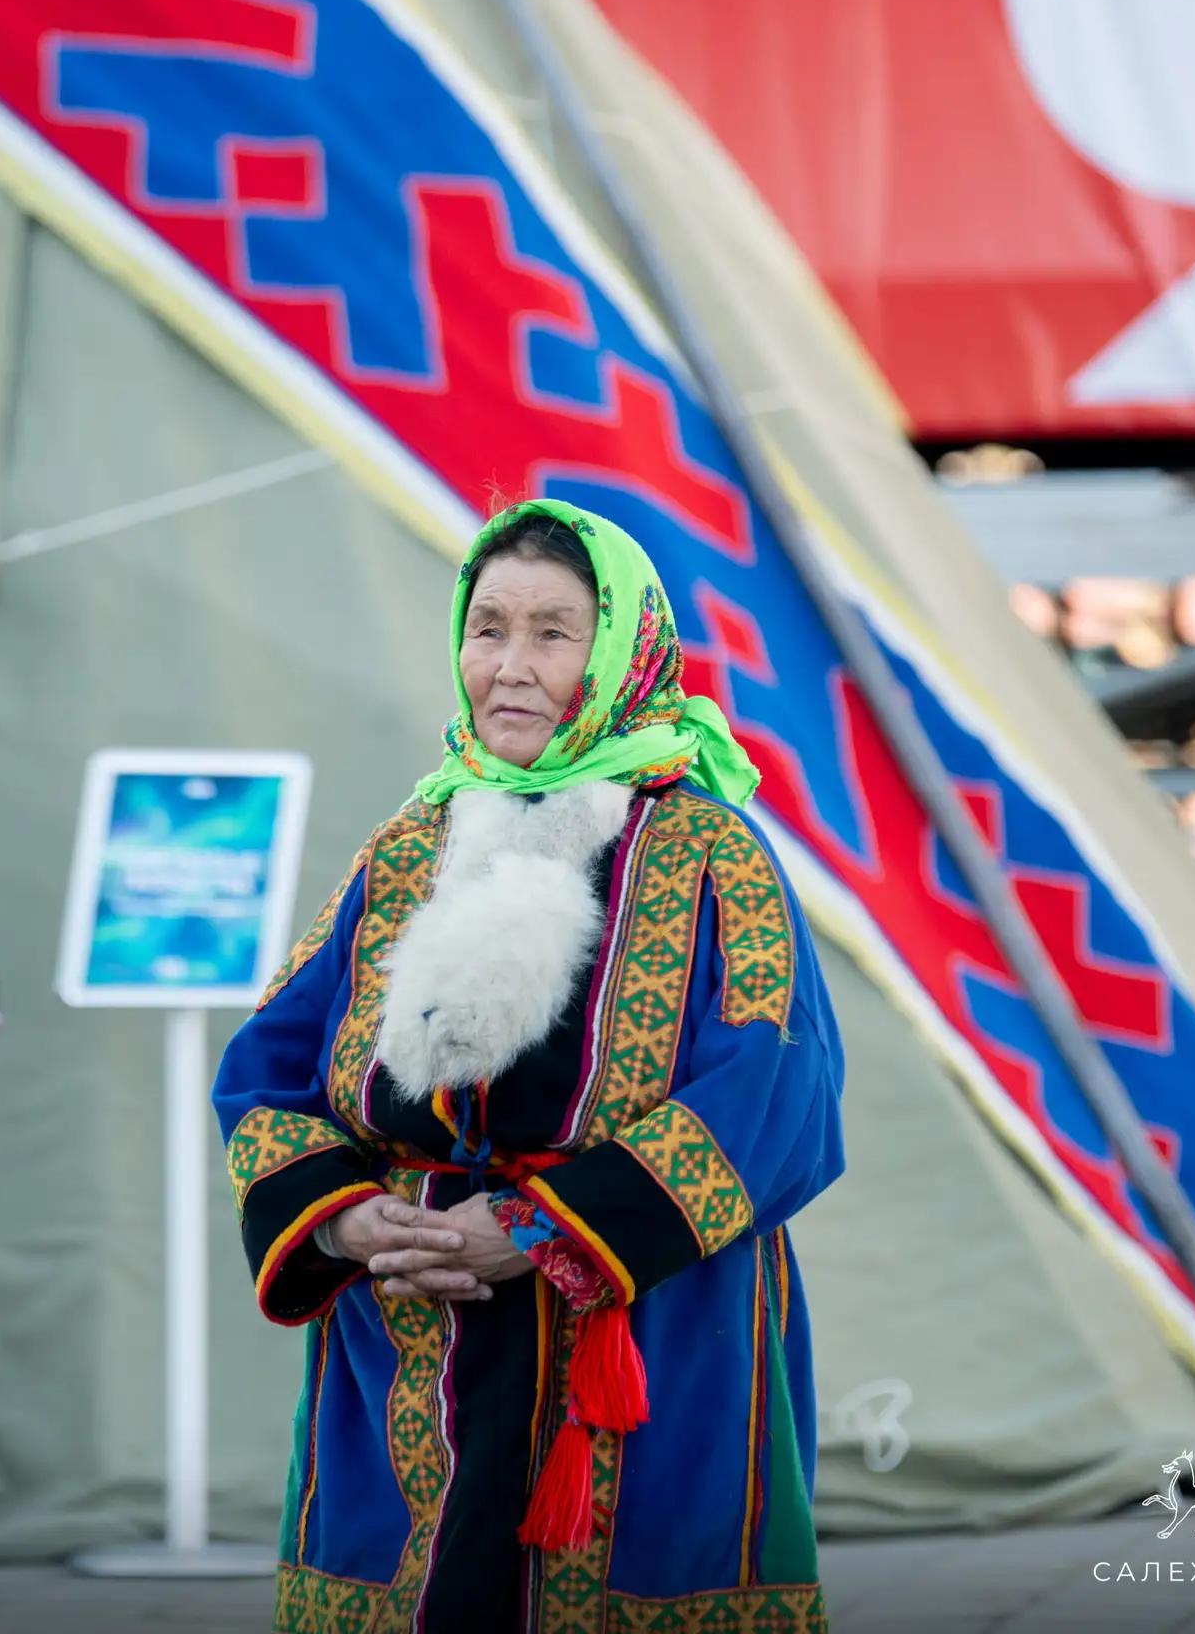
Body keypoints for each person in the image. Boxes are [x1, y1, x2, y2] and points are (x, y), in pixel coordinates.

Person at [214, 500, 844, 1633]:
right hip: (413, 1329)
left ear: (620, 655)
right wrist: (349, 1221)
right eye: (488, 628)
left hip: (639, 1329)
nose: (510, 666)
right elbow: (269, 1069)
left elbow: (778, 1096)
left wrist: (542, 1230)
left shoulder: (714, 854)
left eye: (553, 634)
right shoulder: (409, 846)